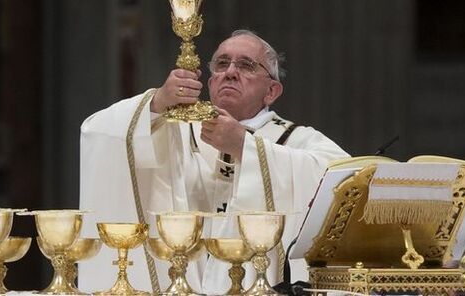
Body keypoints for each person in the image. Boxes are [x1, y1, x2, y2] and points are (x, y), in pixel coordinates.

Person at [79, 30, 350, 294]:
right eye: (222, 63)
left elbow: (346, 179)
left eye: (247, 65)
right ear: (210, 83)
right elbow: (97, 133)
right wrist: (158, 101)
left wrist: (246, 147)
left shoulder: (295, 140)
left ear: (271, 92)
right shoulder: (175, 131)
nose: (230, 72)